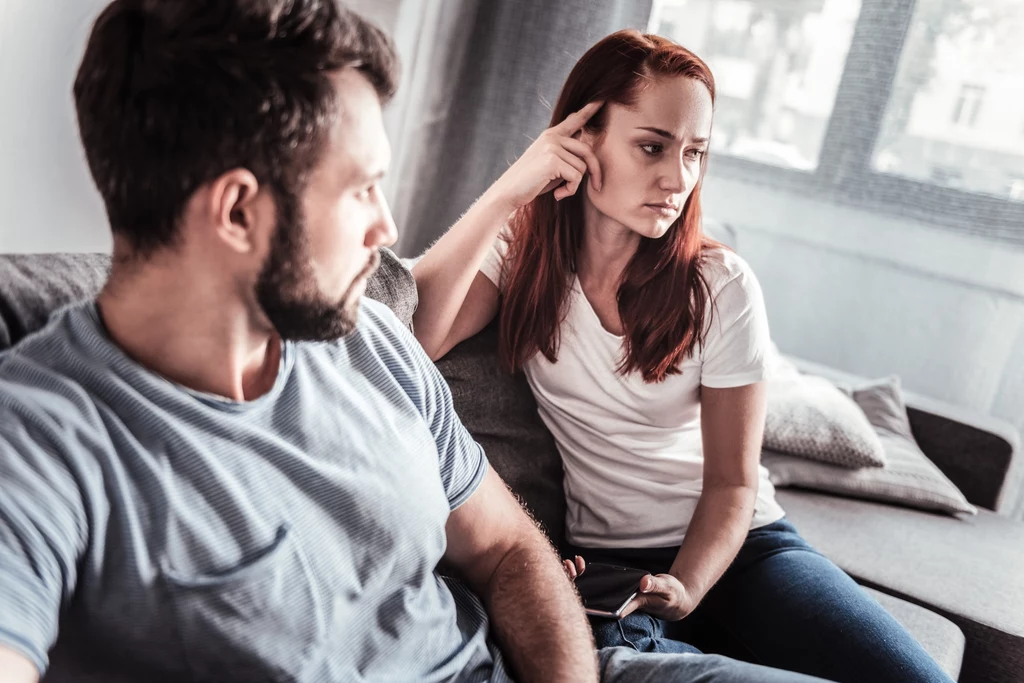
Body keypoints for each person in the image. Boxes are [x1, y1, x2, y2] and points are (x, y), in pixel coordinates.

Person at [0, 2, 831, 683]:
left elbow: (510, 549)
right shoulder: (41, 439)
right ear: (239, 211)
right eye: (361, 188)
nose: (387, 228)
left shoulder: (370, 343)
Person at [411, 29, 955, 683]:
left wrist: (690, 584)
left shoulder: (721, 286)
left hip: (743, 549)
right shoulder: (519, 253)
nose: (678, 177)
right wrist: (510, 189)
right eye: (652, 146)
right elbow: (415, 338)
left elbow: (732, 481)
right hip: (609, 561)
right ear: (581, 138)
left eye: (696, 152)